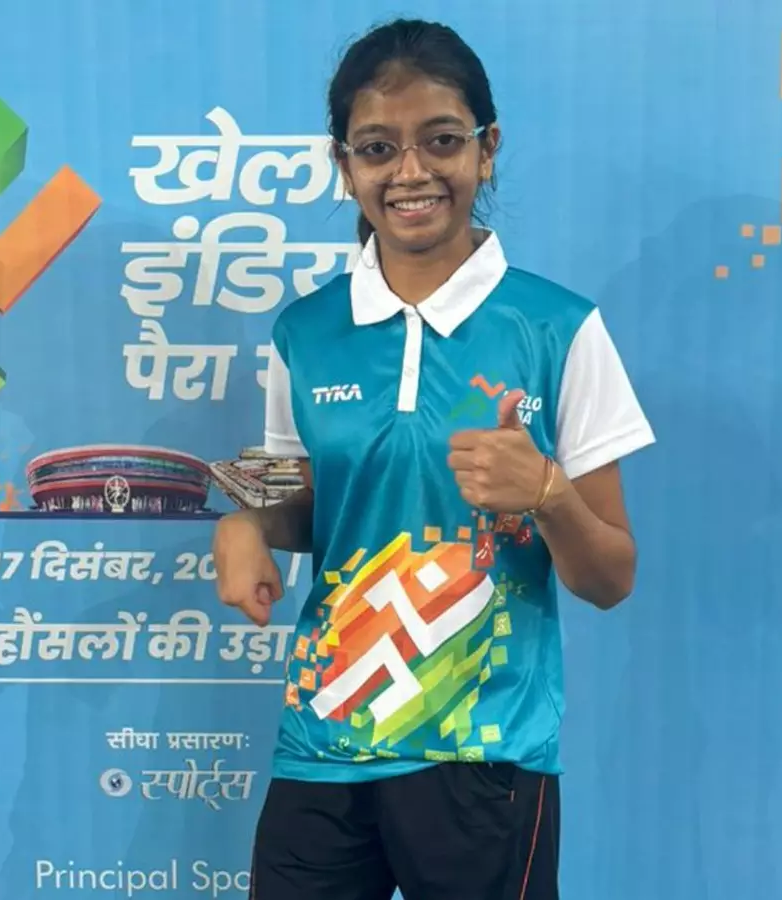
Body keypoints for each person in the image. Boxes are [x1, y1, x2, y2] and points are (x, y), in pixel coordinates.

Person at [211, 18, 655, 900]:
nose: (410, 172)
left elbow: (611, 577)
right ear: (345, 167)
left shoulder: (558, 328)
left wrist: (547, 493)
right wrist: (247, 524)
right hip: (326, 741)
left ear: (487, 150)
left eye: (442, 141)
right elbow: (310, 497)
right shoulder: (305, 332)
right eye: (379, 148)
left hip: (485, 757)